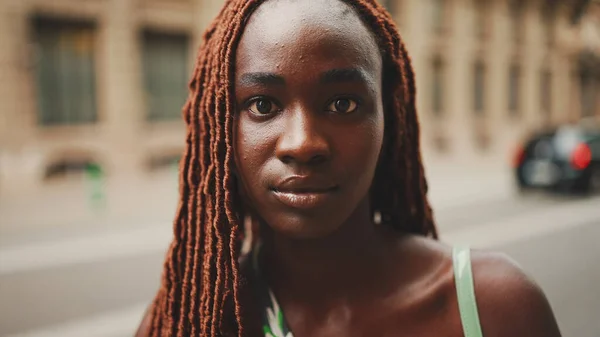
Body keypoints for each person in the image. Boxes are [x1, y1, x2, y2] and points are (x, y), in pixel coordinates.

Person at [136, 0, 562, 336]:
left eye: (343, 103)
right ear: (221, 129)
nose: (302, 143)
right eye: (263, 105)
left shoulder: (495, 308)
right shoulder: (188, 322)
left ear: (388, 120)